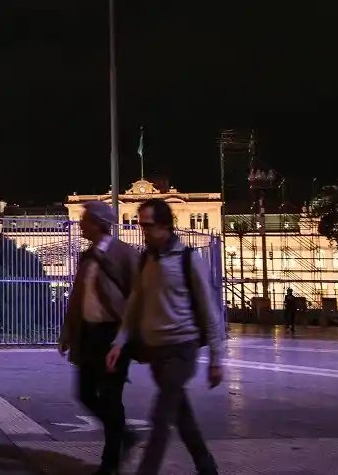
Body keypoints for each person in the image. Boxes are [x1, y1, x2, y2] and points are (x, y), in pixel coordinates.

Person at [106, 198, 223, 475]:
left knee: (160, 418)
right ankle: (207, 467)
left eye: (147, 226)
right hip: (156, 351)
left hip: (182, 349)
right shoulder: (146, 260)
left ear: (165, 226)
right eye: (140, 225)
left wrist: (216, 359)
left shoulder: (188, 259)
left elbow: (209, 310)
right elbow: (134, 305)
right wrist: (119, 342)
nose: (142, 231)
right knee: (182, 416)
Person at [59, 201, 141, 474]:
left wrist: (127, 336)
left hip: (115, 336)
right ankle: (125, 435)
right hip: (89, 334)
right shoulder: (86, 256)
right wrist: (68, 333)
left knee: (110, 396)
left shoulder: (125, 254)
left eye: (84, 220)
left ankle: (110, 462)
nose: (80, 224)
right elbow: (77, 297)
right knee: (84, 393)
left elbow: (138, 297)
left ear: (97, 224)